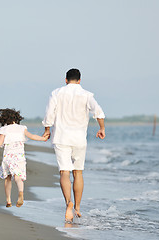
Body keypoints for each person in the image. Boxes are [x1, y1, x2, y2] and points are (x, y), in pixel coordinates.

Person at [42, 68, 105, 222]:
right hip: (79, 139)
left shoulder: (56, 93)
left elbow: (50, 113)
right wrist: (101, 128)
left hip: (61, 137)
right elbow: (99, 111)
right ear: (79, 80)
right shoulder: (86, 95)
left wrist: (47, 129)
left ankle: (67, 203)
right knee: (78, 173)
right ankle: (77, 207)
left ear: (65, 79)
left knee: (64, 172)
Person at [0, 108, 47, 208]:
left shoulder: (4, 129)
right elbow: (32, 136)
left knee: (7, 178)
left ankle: (8, 200)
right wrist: (42, 138)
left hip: (8, 156)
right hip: (20, 156)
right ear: (16, 118)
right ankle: (21, 193)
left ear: (3, 119)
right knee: (18, 177)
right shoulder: (22, 128)